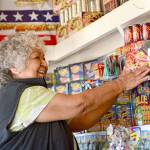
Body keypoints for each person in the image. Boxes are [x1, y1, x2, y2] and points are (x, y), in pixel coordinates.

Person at [0, 32, 149, 150]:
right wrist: (120, 84)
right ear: (14, 66)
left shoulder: (25, 95)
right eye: (36, 58)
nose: (44, 64)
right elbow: (79, 104)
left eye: (44, 57)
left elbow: (79, 122)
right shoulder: (22, 93)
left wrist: (117, 91)